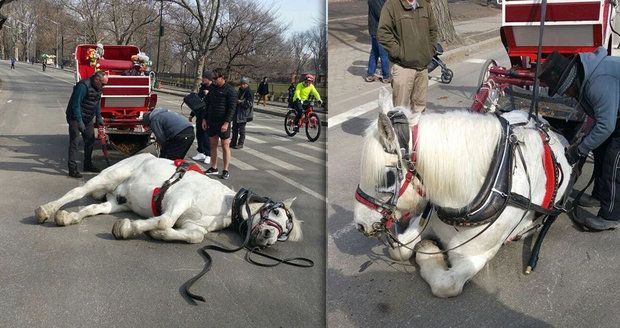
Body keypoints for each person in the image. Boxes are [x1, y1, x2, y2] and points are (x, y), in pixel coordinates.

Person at [539, 47, 620, 231]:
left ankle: (611, 216)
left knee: (613, 161)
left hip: (615, 119)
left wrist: (579, 150)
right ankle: (599, 196)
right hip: (616, 115)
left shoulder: (597, 83)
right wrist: (583, 144)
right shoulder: (586, 78)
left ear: (570, 83)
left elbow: (606, 126)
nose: (566, 95)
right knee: (601, 149)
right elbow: (599, 118)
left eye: (565, 92)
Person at [377, 0, 438, 112]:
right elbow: (383, 33)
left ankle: (416, 130)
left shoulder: (425, 5)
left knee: (420, 110)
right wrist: (399, 53)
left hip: (422, 67)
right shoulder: (392, 5)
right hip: (402, 68)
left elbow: (433, 30)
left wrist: (430, 51)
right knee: (401, 111)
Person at [65, 71, 108, 178]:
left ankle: (87, 165)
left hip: (88, 117)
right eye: (103, 84)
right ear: (97, 80)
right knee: (75, 141)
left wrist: (98, 117)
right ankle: (72, 168)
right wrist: (79, 121)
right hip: (75, 116)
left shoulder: (98, 88)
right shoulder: (83, 86)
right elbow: (75, 104)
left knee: (90, 140)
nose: (104, 86)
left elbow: (97, 103)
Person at [202, 68, 236, 180]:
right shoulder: (212, 88)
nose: (214, 80)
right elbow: (207, 105)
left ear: (223, 77)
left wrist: (226, 123)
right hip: (212, 121)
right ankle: (214, 167)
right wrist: (204, 119)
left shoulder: (230, 90)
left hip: (223, 122)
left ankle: (225, 170)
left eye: (216, 78)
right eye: (213, 78)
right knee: (213, 145)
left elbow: (232, 109)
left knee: (225, 146)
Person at [191, 70, 213, 163]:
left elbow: (215, 102)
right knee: (199, 133)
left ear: (208, 79)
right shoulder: (202, 88)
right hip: (200, 114)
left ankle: (208, 154)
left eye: (203, 78)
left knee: (206, 135)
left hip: (208, 115)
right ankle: (201, 152)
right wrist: (192, 114)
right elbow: (197, 102)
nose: (202, 80)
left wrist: (208, 94)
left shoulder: (213, 88)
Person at [366, 0, 391, 83]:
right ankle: (386, 76)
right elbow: (381, 14)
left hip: (375, 29)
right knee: (384, 53)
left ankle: (370, 74)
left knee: (375, 52)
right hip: (379, 30)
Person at [231, 77, 254, 149]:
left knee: (241, 129)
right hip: (237, 112)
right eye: (241, 84)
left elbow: (249, 103)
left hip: (243, 113)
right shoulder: (240, 90)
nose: (242, 85)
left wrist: (241, 102)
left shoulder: (249, 92)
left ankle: (240, 143)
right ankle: (233, 142)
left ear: (247, 84)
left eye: (244, 84)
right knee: (234, 128)